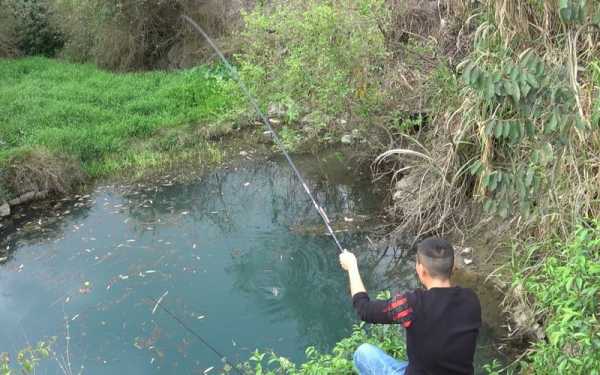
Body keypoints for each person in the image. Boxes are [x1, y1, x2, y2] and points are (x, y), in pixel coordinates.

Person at [339, 237, 481, 375]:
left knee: (363, 353)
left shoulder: (412, 304)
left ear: (421, 270)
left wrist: (352, 267)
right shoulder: (471, 299)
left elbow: (364, 309)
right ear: (453, 267)